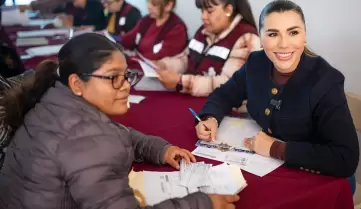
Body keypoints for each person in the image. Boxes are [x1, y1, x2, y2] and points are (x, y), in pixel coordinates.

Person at [0, 33, 239, 209]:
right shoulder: (85, 137)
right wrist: (204, 203)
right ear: (76, 83)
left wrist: (160, 150)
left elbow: (116, 132)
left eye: (126, 76)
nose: (126, 86)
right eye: (113, 77)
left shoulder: (53, 100)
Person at [195, 0, 359, 178]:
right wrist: (210, 117)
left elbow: (345, 158)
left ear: (305, 36)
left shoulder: (326, 81)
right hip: (265, 165)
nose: (284, 44)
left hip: (317, 176)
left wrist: (276, 148)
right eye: (273, 34)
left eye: (293, 32)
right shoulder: (255, 62)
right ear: (261, 37)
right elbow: (224, 95)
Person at [155, 0, 260, 97]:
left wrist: (181, 81)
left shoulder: (247, 39)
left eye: (209, 11)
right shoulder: (203, 31)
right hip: (195, 100)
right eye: (202, 10)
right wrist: (164, 65)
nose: (203, 16)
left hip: (228, 111)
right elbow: (186, 59)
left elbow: (230, 84)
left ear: (228, 10)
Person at [120, 0, 187, 62]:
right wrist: (114, 41)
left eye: (154, 4)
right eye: (148, 2)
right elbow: (129, 38)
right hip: (138, 62)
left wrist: (133, 59)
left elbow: (159, 57)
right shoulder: (147, 20)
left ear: (168, 5)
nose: (149, 7)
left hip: (154, 69)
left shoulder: (177, 29)